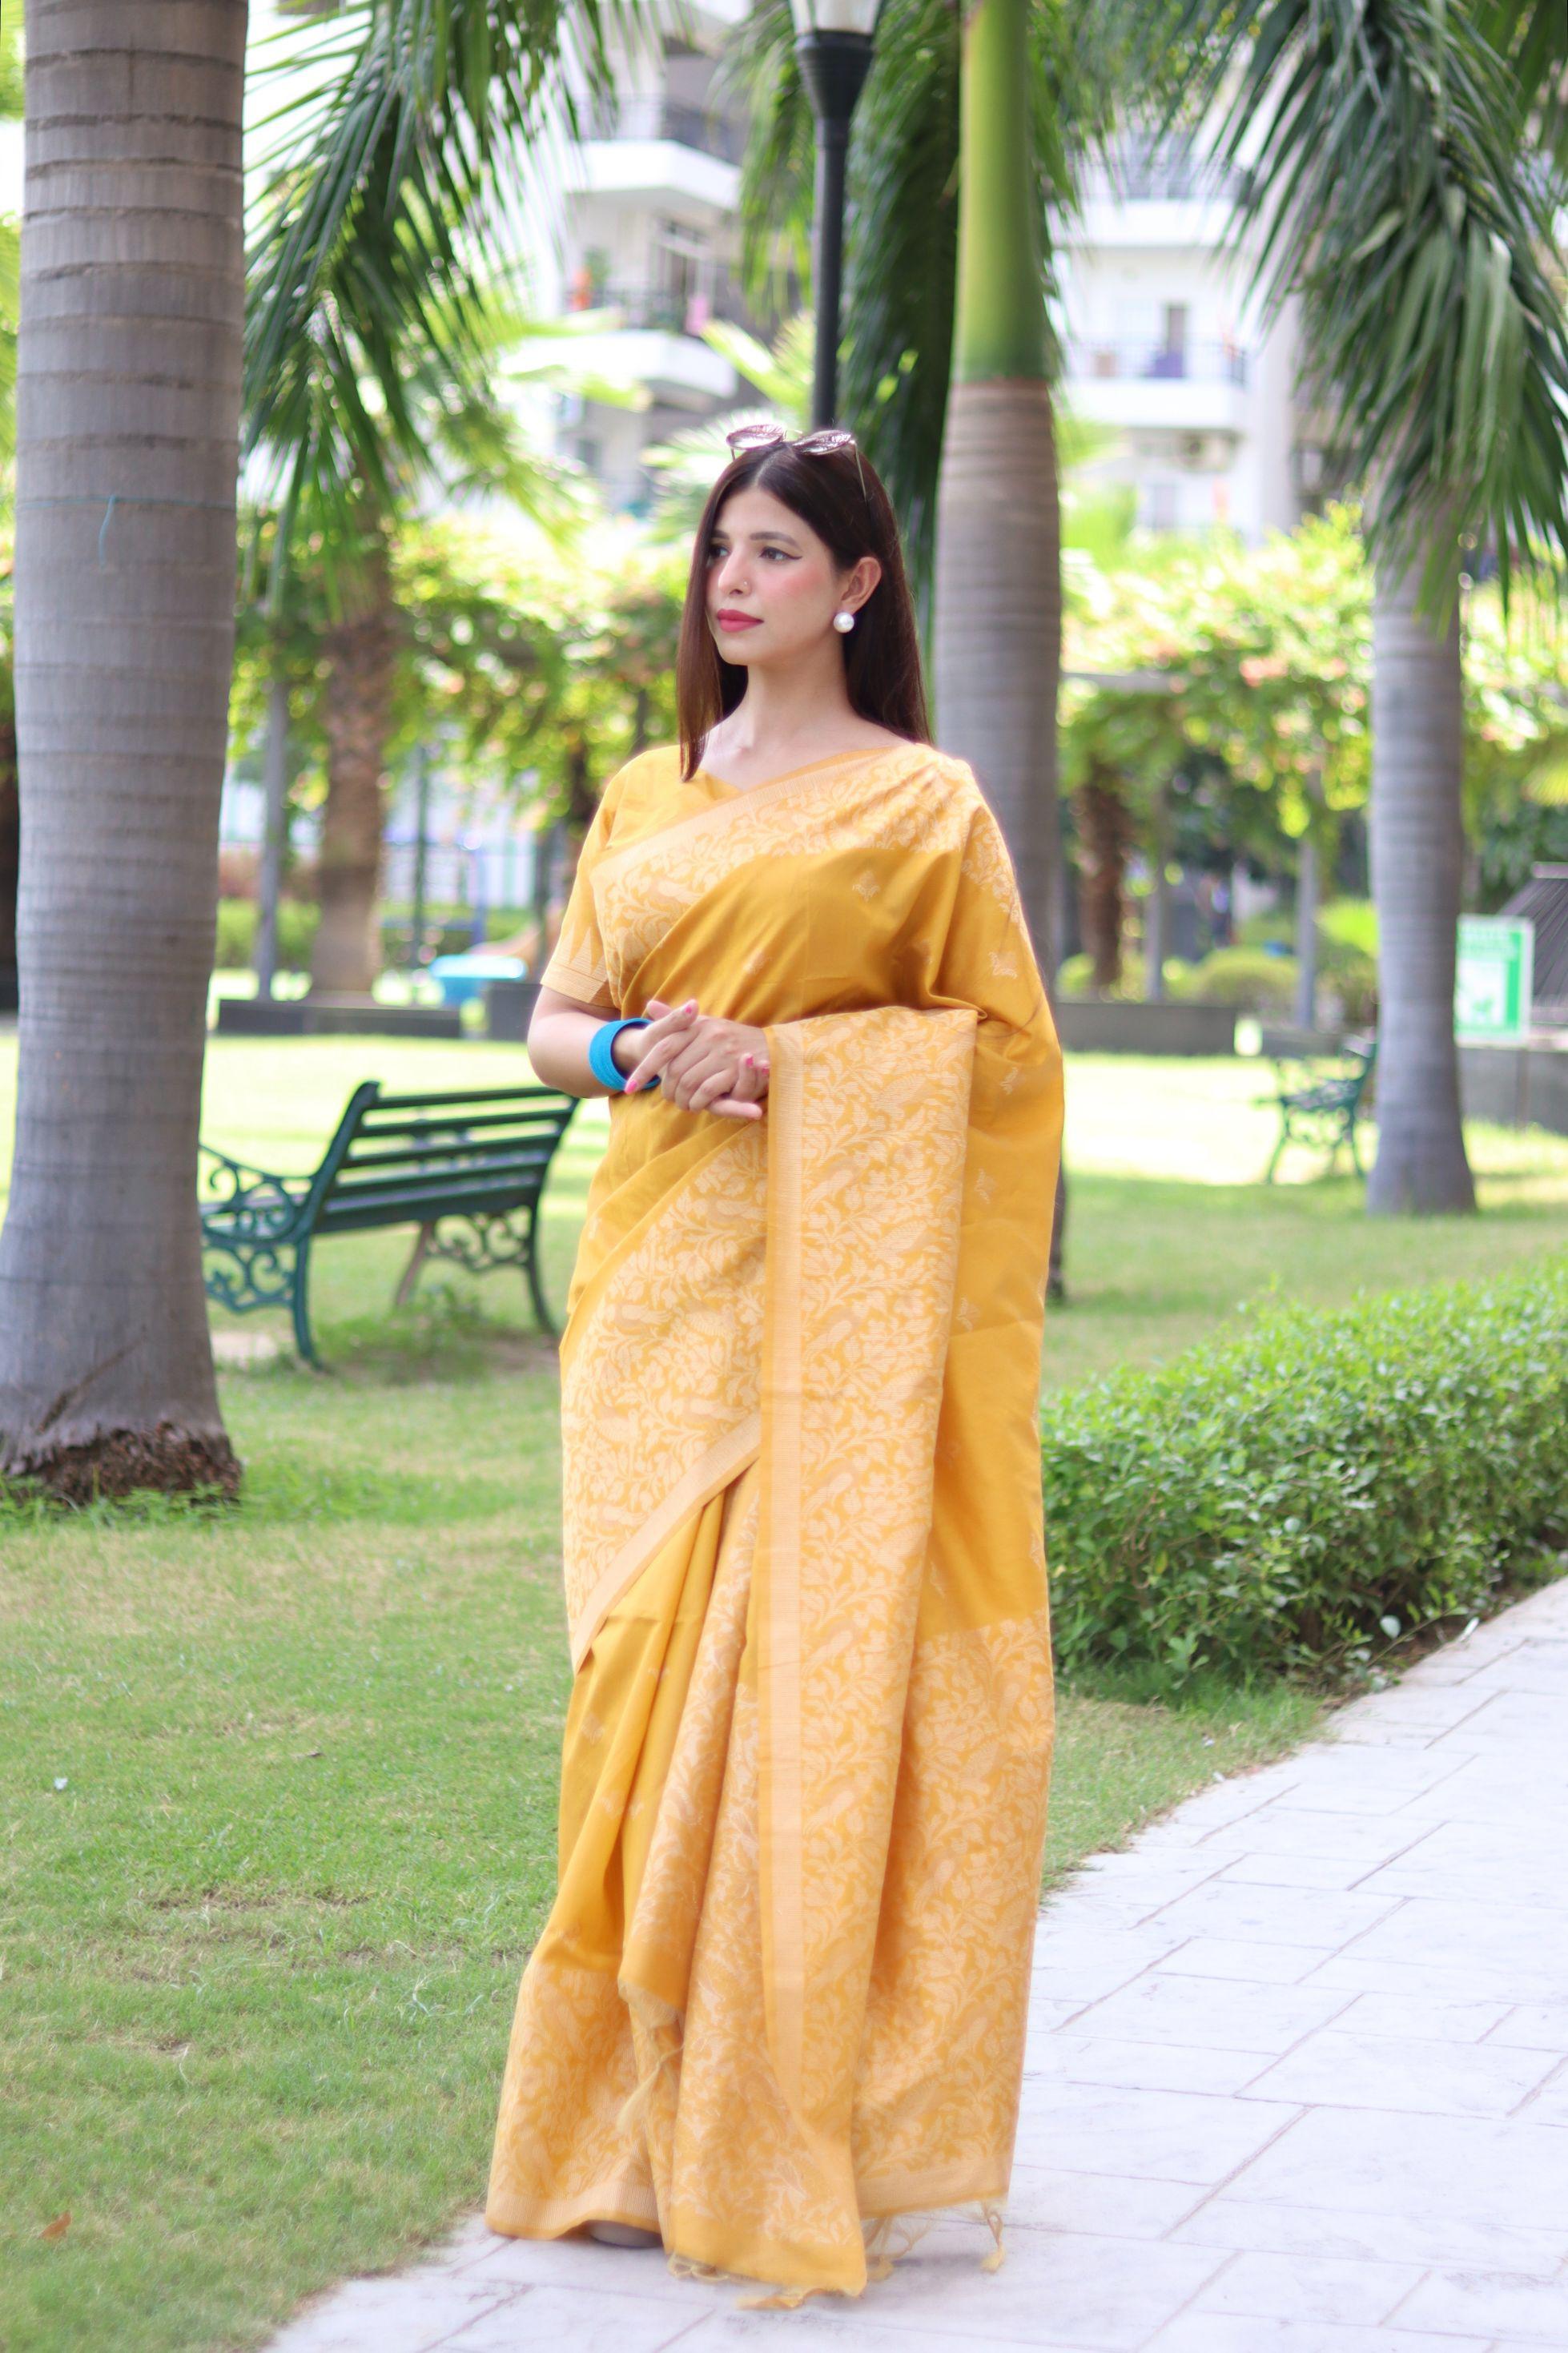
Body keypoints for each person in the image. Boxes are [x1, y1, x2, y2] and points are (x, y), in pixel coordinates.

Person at [484, 421, 1065, 2304]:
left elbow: (997, 1058)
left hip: (838, 1327)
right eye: (719, 550)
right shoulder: (652, 789)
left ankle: (757, 2111)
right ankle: (621, 2124)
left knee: (796, 1690)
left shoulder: (924, 805)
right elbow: (555, 1020)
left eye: (775, 554)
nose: (734, 582)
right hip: (660, 1287)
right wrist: (654, 1046)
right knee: (634, 1685)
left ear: (857, 586)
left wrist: (803, 1066)